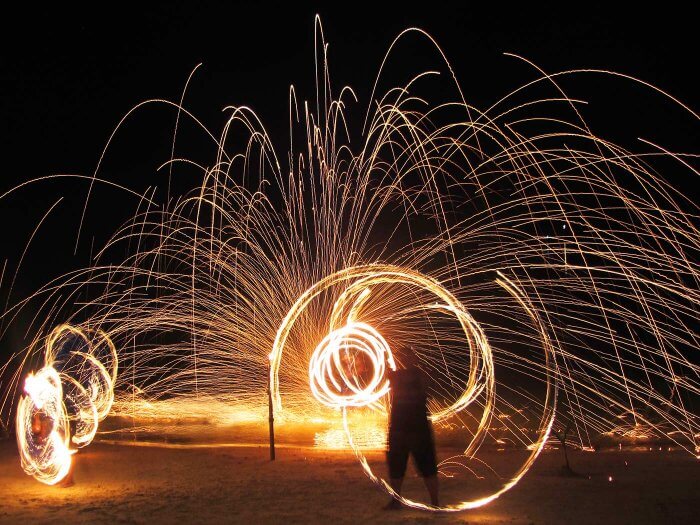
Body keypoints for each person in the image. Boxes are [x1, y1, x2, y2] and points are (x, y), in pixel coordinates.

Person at [384, 346, 438, 509]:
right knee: (396, 466)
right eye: (403, 357)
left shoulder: (412, 375)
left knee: (426, 465)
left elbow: (424, 390)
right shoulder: (397, 376)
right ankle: (396, 500)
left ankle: (435, 502)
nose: (406, 359)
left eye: (408, 357)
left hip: (416, 427)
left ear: (414, 359)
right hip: (401, 427)